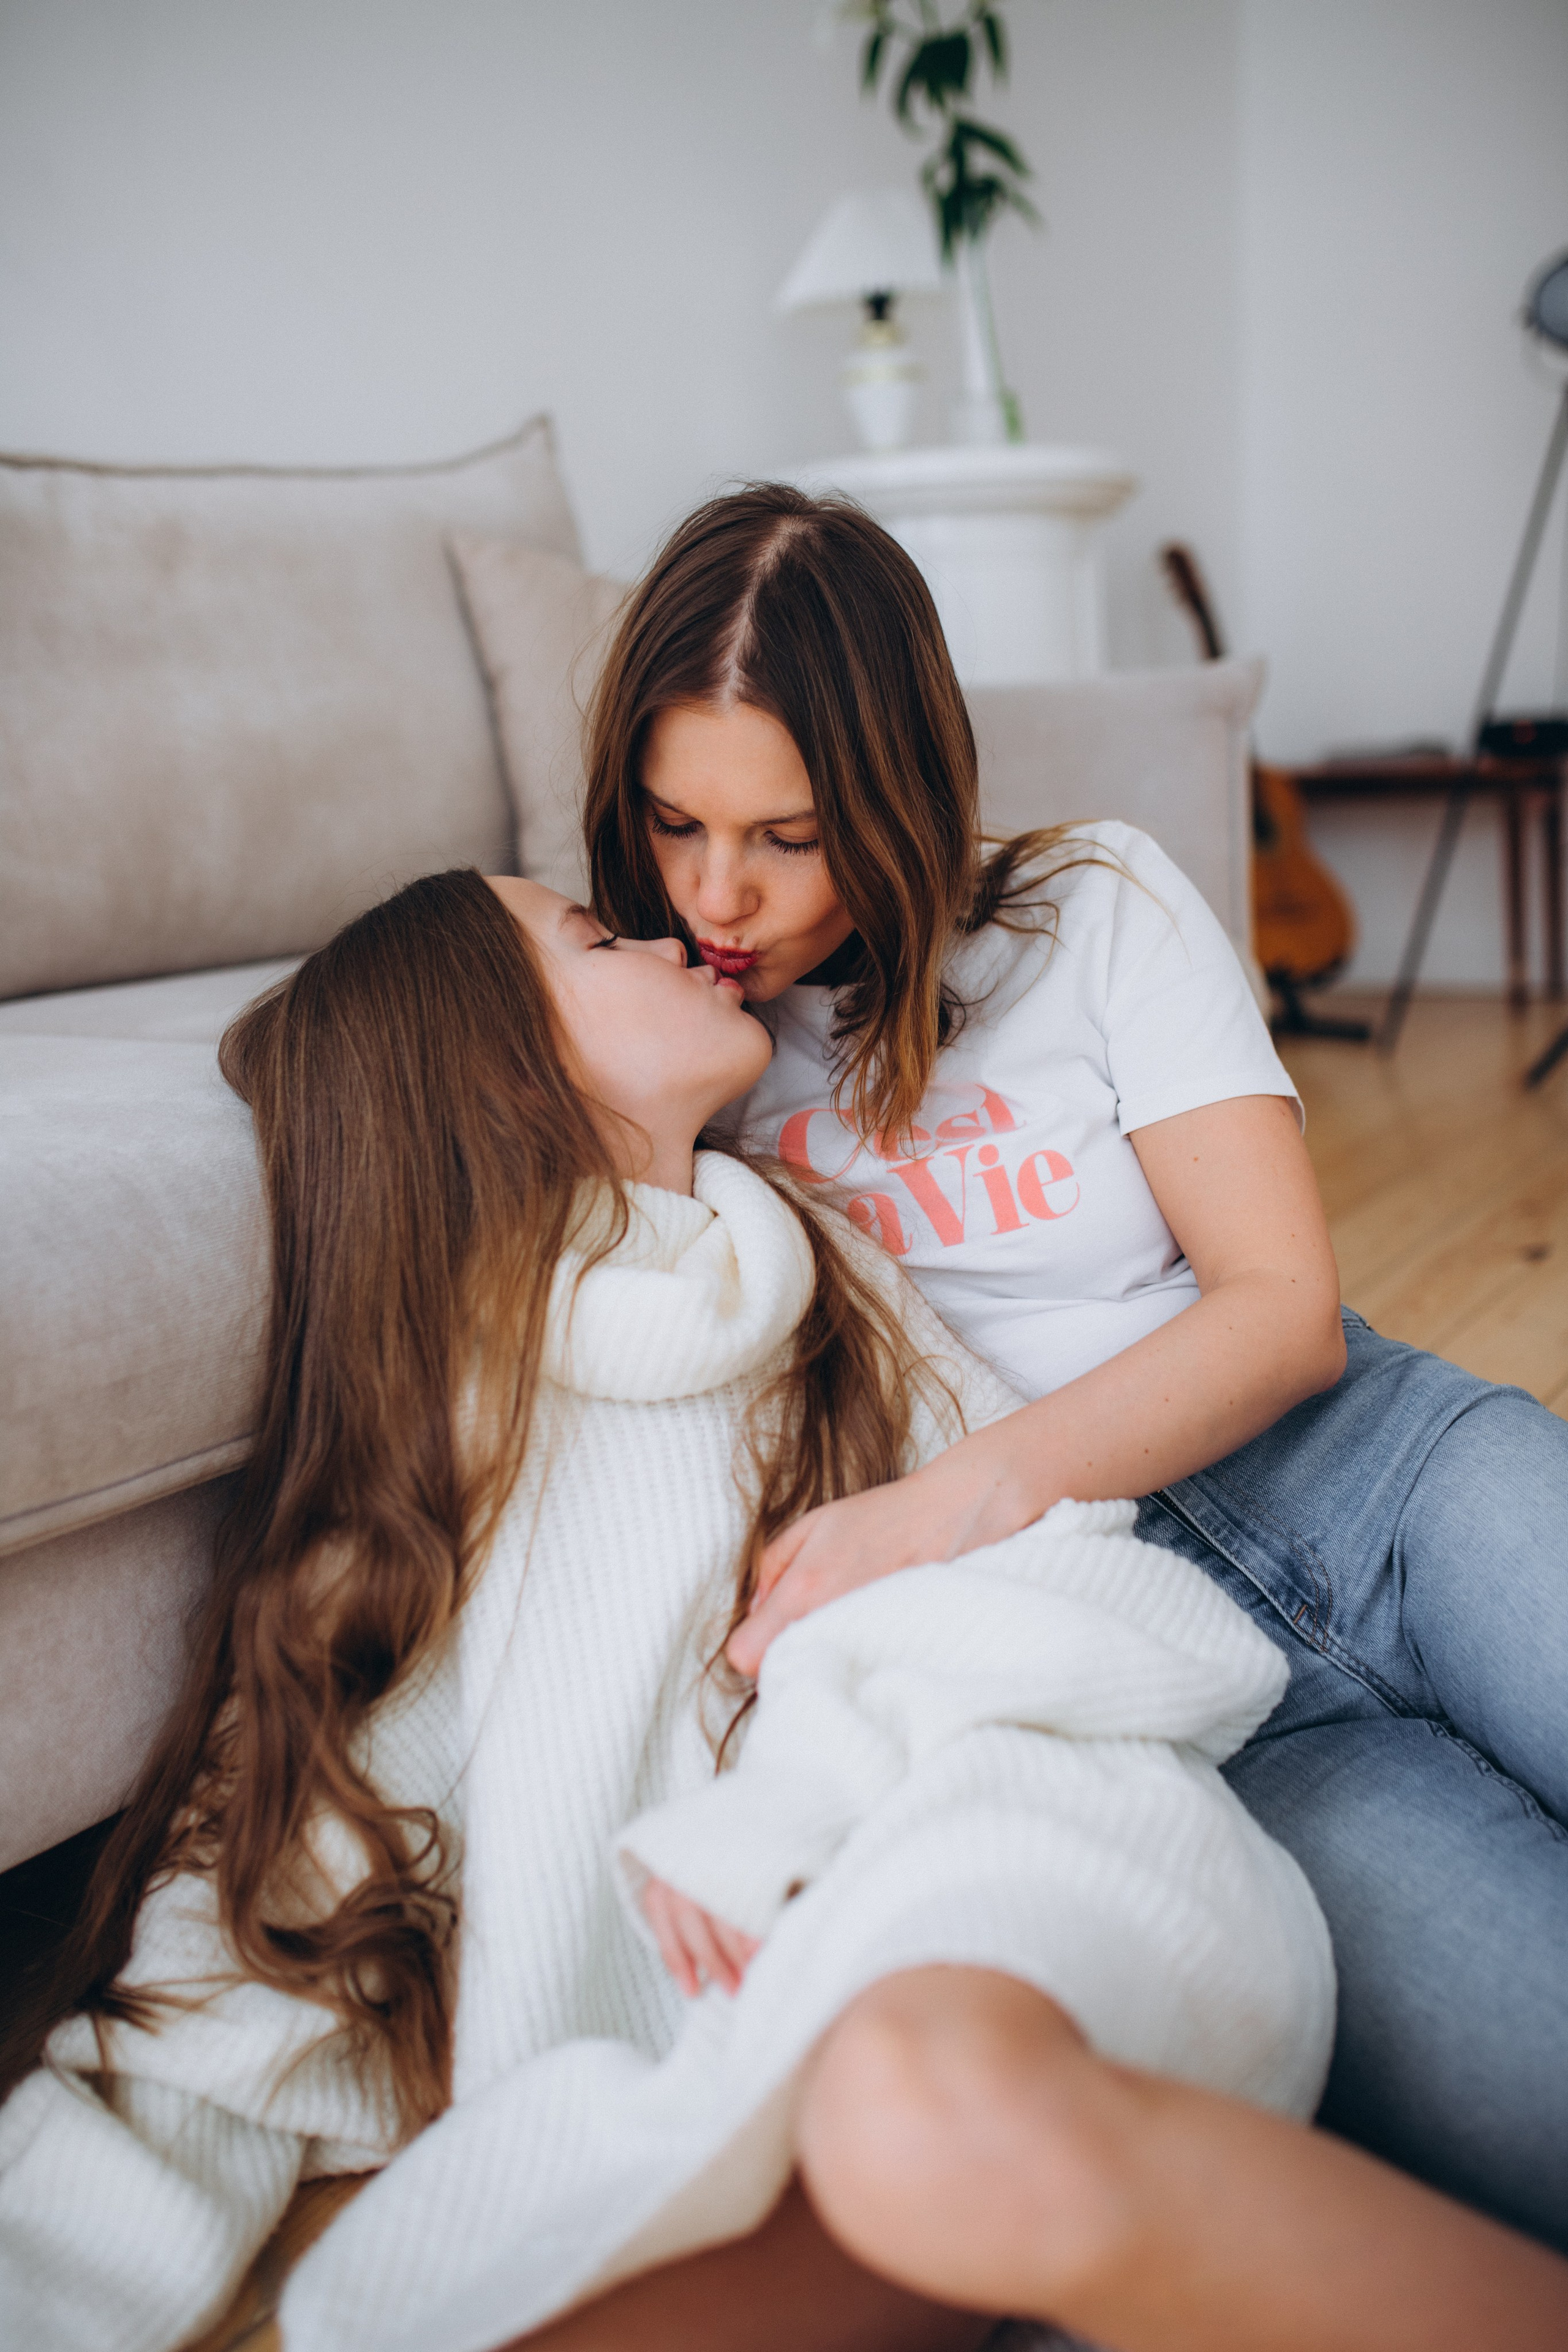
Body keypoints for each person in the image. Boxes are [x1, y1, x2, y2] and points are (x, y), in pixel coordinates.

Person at [4, 868, 1562, 2352]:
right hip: (743, 2006)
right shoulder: (442, 1439)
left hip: (987, 1827)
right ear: (498, 1069)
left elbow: (1055, 1585)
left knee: (917, 2101)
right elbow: (266, 1881)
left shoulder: (823, 1281)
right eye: (599, 940)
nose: (686, 932)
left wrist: (789, 1811)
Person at [581, 482, 1568, 2256]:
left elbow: (1281, 1307)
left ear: (895, 793)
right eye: (674, 826)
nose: (719, 896)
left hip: (1385, 1474)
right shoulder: (678, 1042)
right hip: (1178, 1676)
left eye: (789, 838)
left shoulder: (1093, 904)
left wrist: (950, 1501)